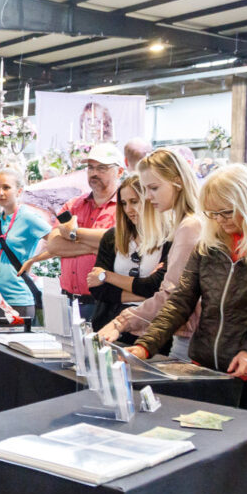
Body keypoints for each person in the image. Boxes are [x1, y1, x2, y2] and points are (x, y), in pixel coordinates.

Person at [125, 164, 247, 414]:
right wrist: (146, 345)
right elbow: (180, 301)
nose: (220, 221)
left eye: (226, 212)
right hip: (205, 370)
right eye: (212, 214)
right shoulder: (207, 247)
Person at [98, 149, 202, 360]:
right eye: (145, 189)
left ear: (177, 182)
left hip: (192, 338)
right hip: (185, 334)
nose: (148, 196)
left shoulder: (190, 226)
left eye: (153, 188)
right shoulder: (185, 224)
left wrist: (122, 321)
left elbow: (170, 293)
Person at [20, 142, 123, 321]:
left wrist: (73, 236)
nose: (94, 173)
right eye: (90, 168)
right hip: (68, 301)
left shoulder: (126, 207)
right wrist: (95, 247)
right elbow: (54, 245)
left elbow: (118, 244)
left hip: (105, 303)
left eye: (102, 168)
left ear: (119, 172)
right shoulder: (74, 204)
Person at [0, 168, 50, 325]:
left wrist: (34, 260)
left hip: (17, 299)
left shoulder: (28, 218)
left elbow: (58, 242)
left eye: (6, 187)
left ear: (19, 191)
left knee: (11, 349)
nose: (0, 193)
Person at [87, 175, 163, 335]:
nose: (128, 209)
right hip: (108, 324)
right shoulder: (111, 237)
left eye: (134, 201)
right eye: (124, 203)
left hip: (152, 330)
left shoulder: (169, 239)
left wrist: (106, 276)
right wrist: (146, 296)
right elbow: (99, 290)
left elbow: (156, 286)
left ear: (150, 199)